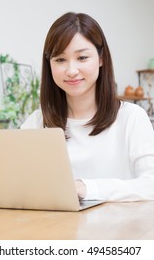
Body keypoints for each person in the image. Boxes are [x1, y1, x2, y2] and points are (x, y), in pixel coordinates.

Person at [21, 12, 154, 202]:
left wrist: (87, 188)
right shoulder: (36, 121)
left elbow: (151, 185)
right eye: (60, 59)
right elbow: (18, 183)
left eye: (82, 58)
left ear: (101, 59)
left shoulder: (131, 117)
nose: (71, 70)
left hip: (118, 229)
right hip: (54, 229)